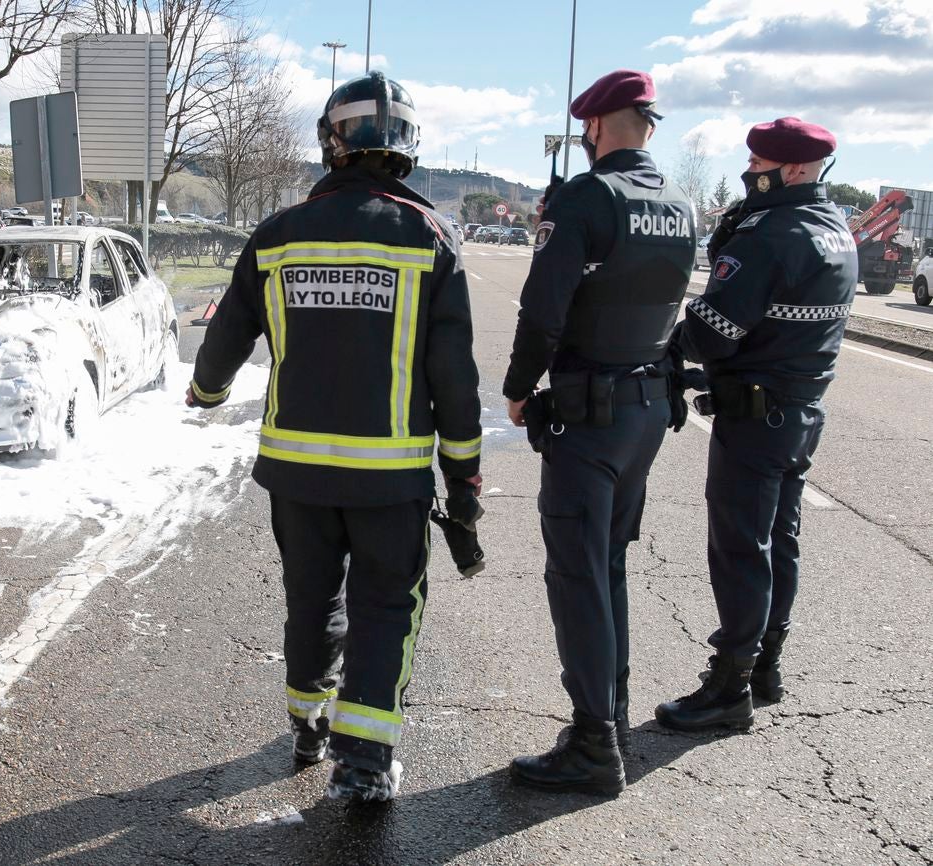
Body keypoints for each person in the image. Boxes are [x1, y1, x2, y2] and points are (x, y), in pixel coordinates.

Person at [184, 71, 483, 803]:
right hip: (393, 478)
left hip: (298, 474)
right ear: (407, 148)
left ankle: (307, 724)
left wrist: (206, 392)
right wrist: (464, 475)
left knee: (311, 600)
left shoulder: (278, 234)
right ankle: (366, 760)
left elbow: (225, 335)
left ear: (332, 142)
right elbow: (456, 377)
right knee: (387, 606)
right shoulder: (431, 238)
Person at [502, 69, 696, 796]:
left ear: (592, 128)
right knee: (608, 567)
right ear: (648, 124)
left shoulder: (589, 196)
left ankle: (592, 748)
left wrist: (520, 387)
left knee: (579, 575)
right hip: (645, 407)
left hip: (590, 414)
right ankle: (605, 717)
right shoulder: (680, 203)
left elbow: (543, 307)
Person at [655, 119, 858, 732]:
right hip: (801, 411)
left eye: (759, 162)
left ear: (793, 169)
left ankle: (728, 687)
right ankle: (766, 666)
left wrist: (669, 339)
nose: (750, 171)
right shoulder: (835, 229)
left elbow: (715, 330)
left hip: (755, 415)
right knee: (779, 539)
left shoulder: (771, 234)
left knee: (741, 546)